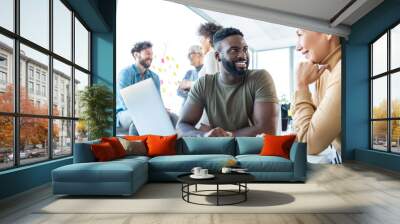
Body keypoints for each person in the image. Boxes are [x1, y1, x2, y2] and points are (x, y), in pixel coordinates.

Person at [177, 28, 279, 137]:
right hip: (218, 150)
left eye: (244, 49)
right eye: (234, 50)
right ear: (217, 56)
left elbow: (267, 129)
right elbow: (182, 125)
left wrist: (227, 136)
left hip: (251, 152)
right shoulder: (204, 84)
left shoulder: (259, 78)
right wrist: (203, 135)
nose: (242, 55)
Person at [292, 29, 341, 162]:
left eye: (300, 34)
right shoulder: (324, 73)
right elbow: (306, 126)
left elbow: (307, 144)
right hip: (337, 159)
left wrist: (301, 86)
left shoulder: (343, 72)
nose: (298, 47)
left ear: (328, 32)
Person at [116, 41, 178, 135]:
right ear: (136, 54)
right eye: (147, 53)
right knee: (139, 117)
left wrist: (162, 109)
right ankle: (136, 149)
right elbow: (124, 102)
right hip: (124, 113)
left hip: (148, 112)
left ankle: (171, 148)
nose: (151, 57)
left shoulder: (154, 77)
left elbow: (158, 101)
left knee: (174, 117)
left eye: (152, 54)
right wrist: (147, 110)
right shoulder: (125, 73)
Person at [196, 22, 223, 129]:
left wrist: (190, 84)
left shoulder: (211, 55)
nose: (199, 42)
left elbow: (212, 84)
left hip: (208, 115)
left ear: (208, 39)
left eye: (201, 38)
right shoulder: (218, 55)